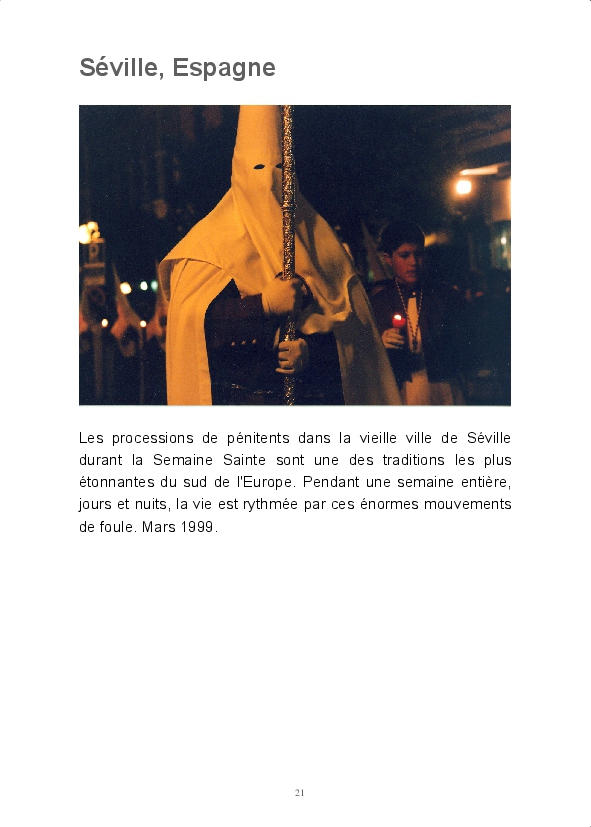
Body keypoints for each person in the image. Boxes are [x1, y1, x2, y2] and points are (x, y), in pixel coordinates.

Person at [158, 105, 400, 406]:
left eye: (279, 169)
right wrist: (262, 306)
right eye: (257, 169)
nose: (268, 182)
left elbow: (356, 341)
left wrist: (312, 351)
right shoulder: (206, 245)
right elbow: (195, 328)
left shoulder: (321, 244)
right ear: (239, 173)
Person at [369, 220, 472, 405]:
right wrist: (379, 344)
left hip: (445, 387)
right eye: (404, 256)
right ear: (388, 259)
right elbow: (367, 357)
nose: (413, 263)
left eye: (418, 254)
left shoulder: (446, 296)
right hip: (402, 390)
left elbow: (469, 346)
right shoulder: (380, 301)